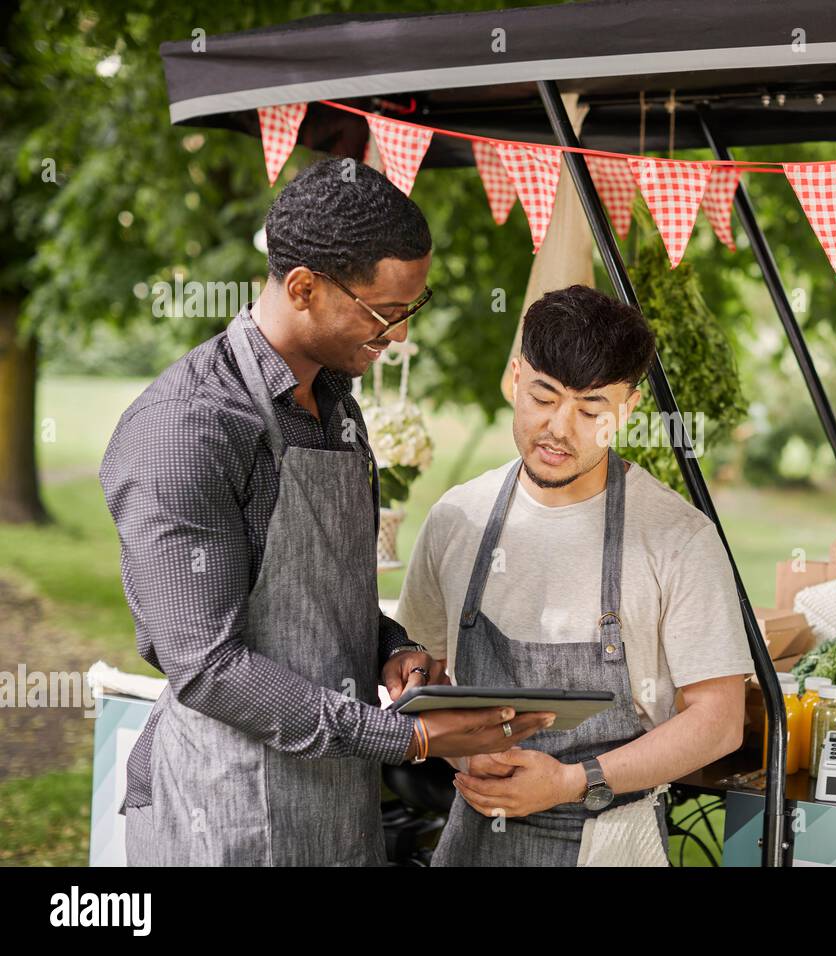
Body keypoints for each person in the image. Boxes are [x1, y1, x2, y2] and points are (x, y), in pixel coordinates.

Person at [99, 159, 550, 866]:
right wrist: (411, 740)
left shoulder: (335, 402)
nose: (399, 334)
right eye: (384, 311)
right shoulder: (188, 428)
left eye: (411, 306)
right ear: (303, 287)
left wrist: (391, 647)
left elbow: (309, 596)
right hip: (225, 816)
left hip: (338, 806)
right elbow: (208, 665)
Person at [395, 284, 754, 866]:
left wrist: (571, 781)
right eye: (543, 397)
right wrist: (456, 747)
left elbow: (718, 722)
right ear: (515, 378)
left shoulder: (678, 537)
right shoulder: (457, 517)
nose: (560, 429)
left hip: (610, 841)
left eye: (591, 410)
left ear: (629, 409)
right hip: (474, 834)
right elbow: (421, 666)